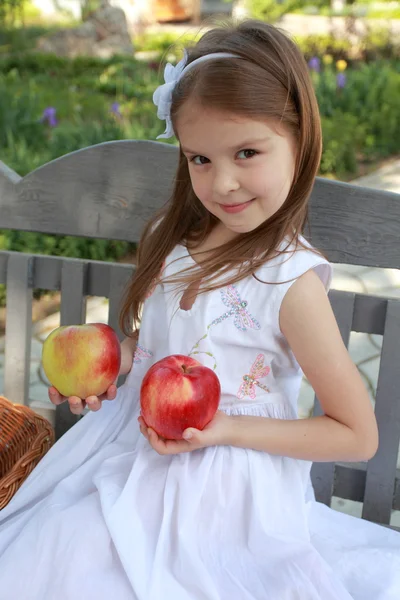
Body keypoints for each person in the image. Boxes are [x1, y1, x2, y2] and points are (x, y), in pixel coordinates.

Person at [0, 19, 399, 600]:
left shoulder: (289, 282)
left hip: (228, 493)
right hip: (129, 456)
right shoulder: (173, 236)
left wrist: (224, 428)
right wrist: (113, 366)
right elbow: (161, 348)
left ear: (299, 141)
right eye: (200, 159)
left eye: (247, 152)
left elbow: (356, 436)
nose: (225, 183)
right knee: (54, 554)